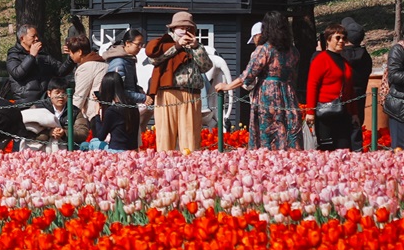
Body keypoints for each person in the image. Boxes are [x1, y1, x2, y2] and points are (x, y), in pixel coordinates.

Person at [221, 12, 303, 150]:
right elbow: (294, 75)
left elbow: (248, 75)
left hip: (267, 93)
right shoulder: (293, 51)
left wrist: (227, 86)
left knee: (267, 130)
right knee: (288, 127)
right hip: (288, 93)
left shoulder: (264, 49)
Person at [144, 12, 212, 153]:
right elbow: (154, 60)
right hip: (167, 93)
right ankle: (165, 167)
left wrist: (196, 48)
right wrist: (177, 46)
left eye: (188, 28)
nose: (185, 31)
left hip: (191, 93)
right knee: (165, 135)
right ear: (173, 29)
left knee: (190, 137)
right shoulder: (164, 43)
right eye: (180, 27)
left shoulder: (196, 46)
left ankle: (190, 167)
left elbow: (206, 67)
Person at [306, 23, 359, 152]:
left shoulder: (345, 62)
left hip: (343, 112)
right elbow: (312, 85)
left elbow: (350, 89)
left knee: (345, 149)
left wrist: (354, 113)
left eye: (344, 38)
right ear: (328, 39)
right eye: (338, 37)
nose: (341, 41)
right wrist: (310, 112)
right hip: (325, 113)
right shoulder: (321, 59)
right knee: (327, 150)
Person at [64, 37, 109, 146]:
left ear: (79, 52)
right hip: (107, 109)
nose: (70, 55)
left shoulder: (86, 67)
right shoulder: (102, 63)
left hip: (95, 111)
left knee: (98, 144)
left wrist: (68, 117)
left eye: (71, 52)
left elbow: (80, 95)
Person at [6, 25, 61, 111]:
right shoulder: (13, 55)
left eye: (37, 36)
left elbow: (60, 70)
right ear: (22, 38)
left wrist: (71, 59)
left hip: (45, 103)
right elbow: (17, 74)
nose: (36, 39)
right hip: (25, 105)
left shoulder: (43, 55)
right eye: (33, 36)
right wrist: (31, 56)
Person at [87, 69, 140, 151]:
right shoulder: (133, 106)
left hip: (116, 150)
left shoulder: (112, 111)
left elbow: (101, 136)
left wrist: (97, 114)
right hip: (131, 149)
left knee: (90, 143)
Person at [341, 19, 373, 150]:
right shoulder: (366, 57)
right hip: (360, 97)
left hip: (342, 99)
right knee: (356, 131)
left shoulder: (340, 56)